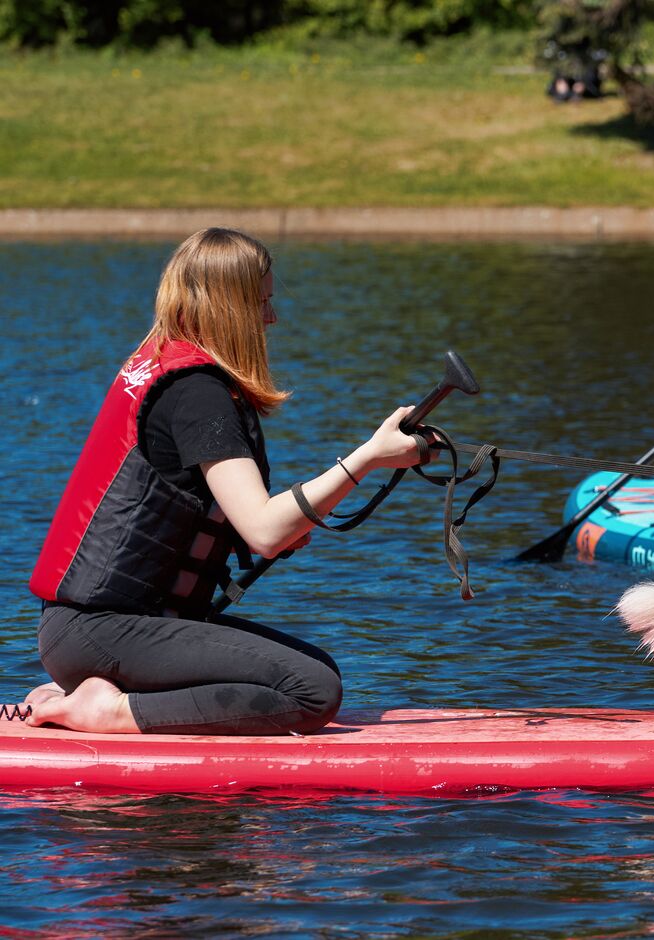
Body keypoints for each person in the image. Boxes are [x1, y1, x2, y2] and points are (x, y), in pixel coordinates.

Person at [24, 228, 430, 736]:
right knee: (312, 691)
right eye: (262, 302)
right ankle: (105, 712)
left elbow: (212, 511)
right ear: (228, 307)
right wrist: (370, 457)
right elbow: (263, 530)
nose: (271, 317)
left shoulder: (165, 362)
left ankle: (84, 689)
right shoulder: (198, 393)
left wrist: (284, 524)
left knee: (315, 669)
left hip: (90, 630)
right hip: (101, 630)